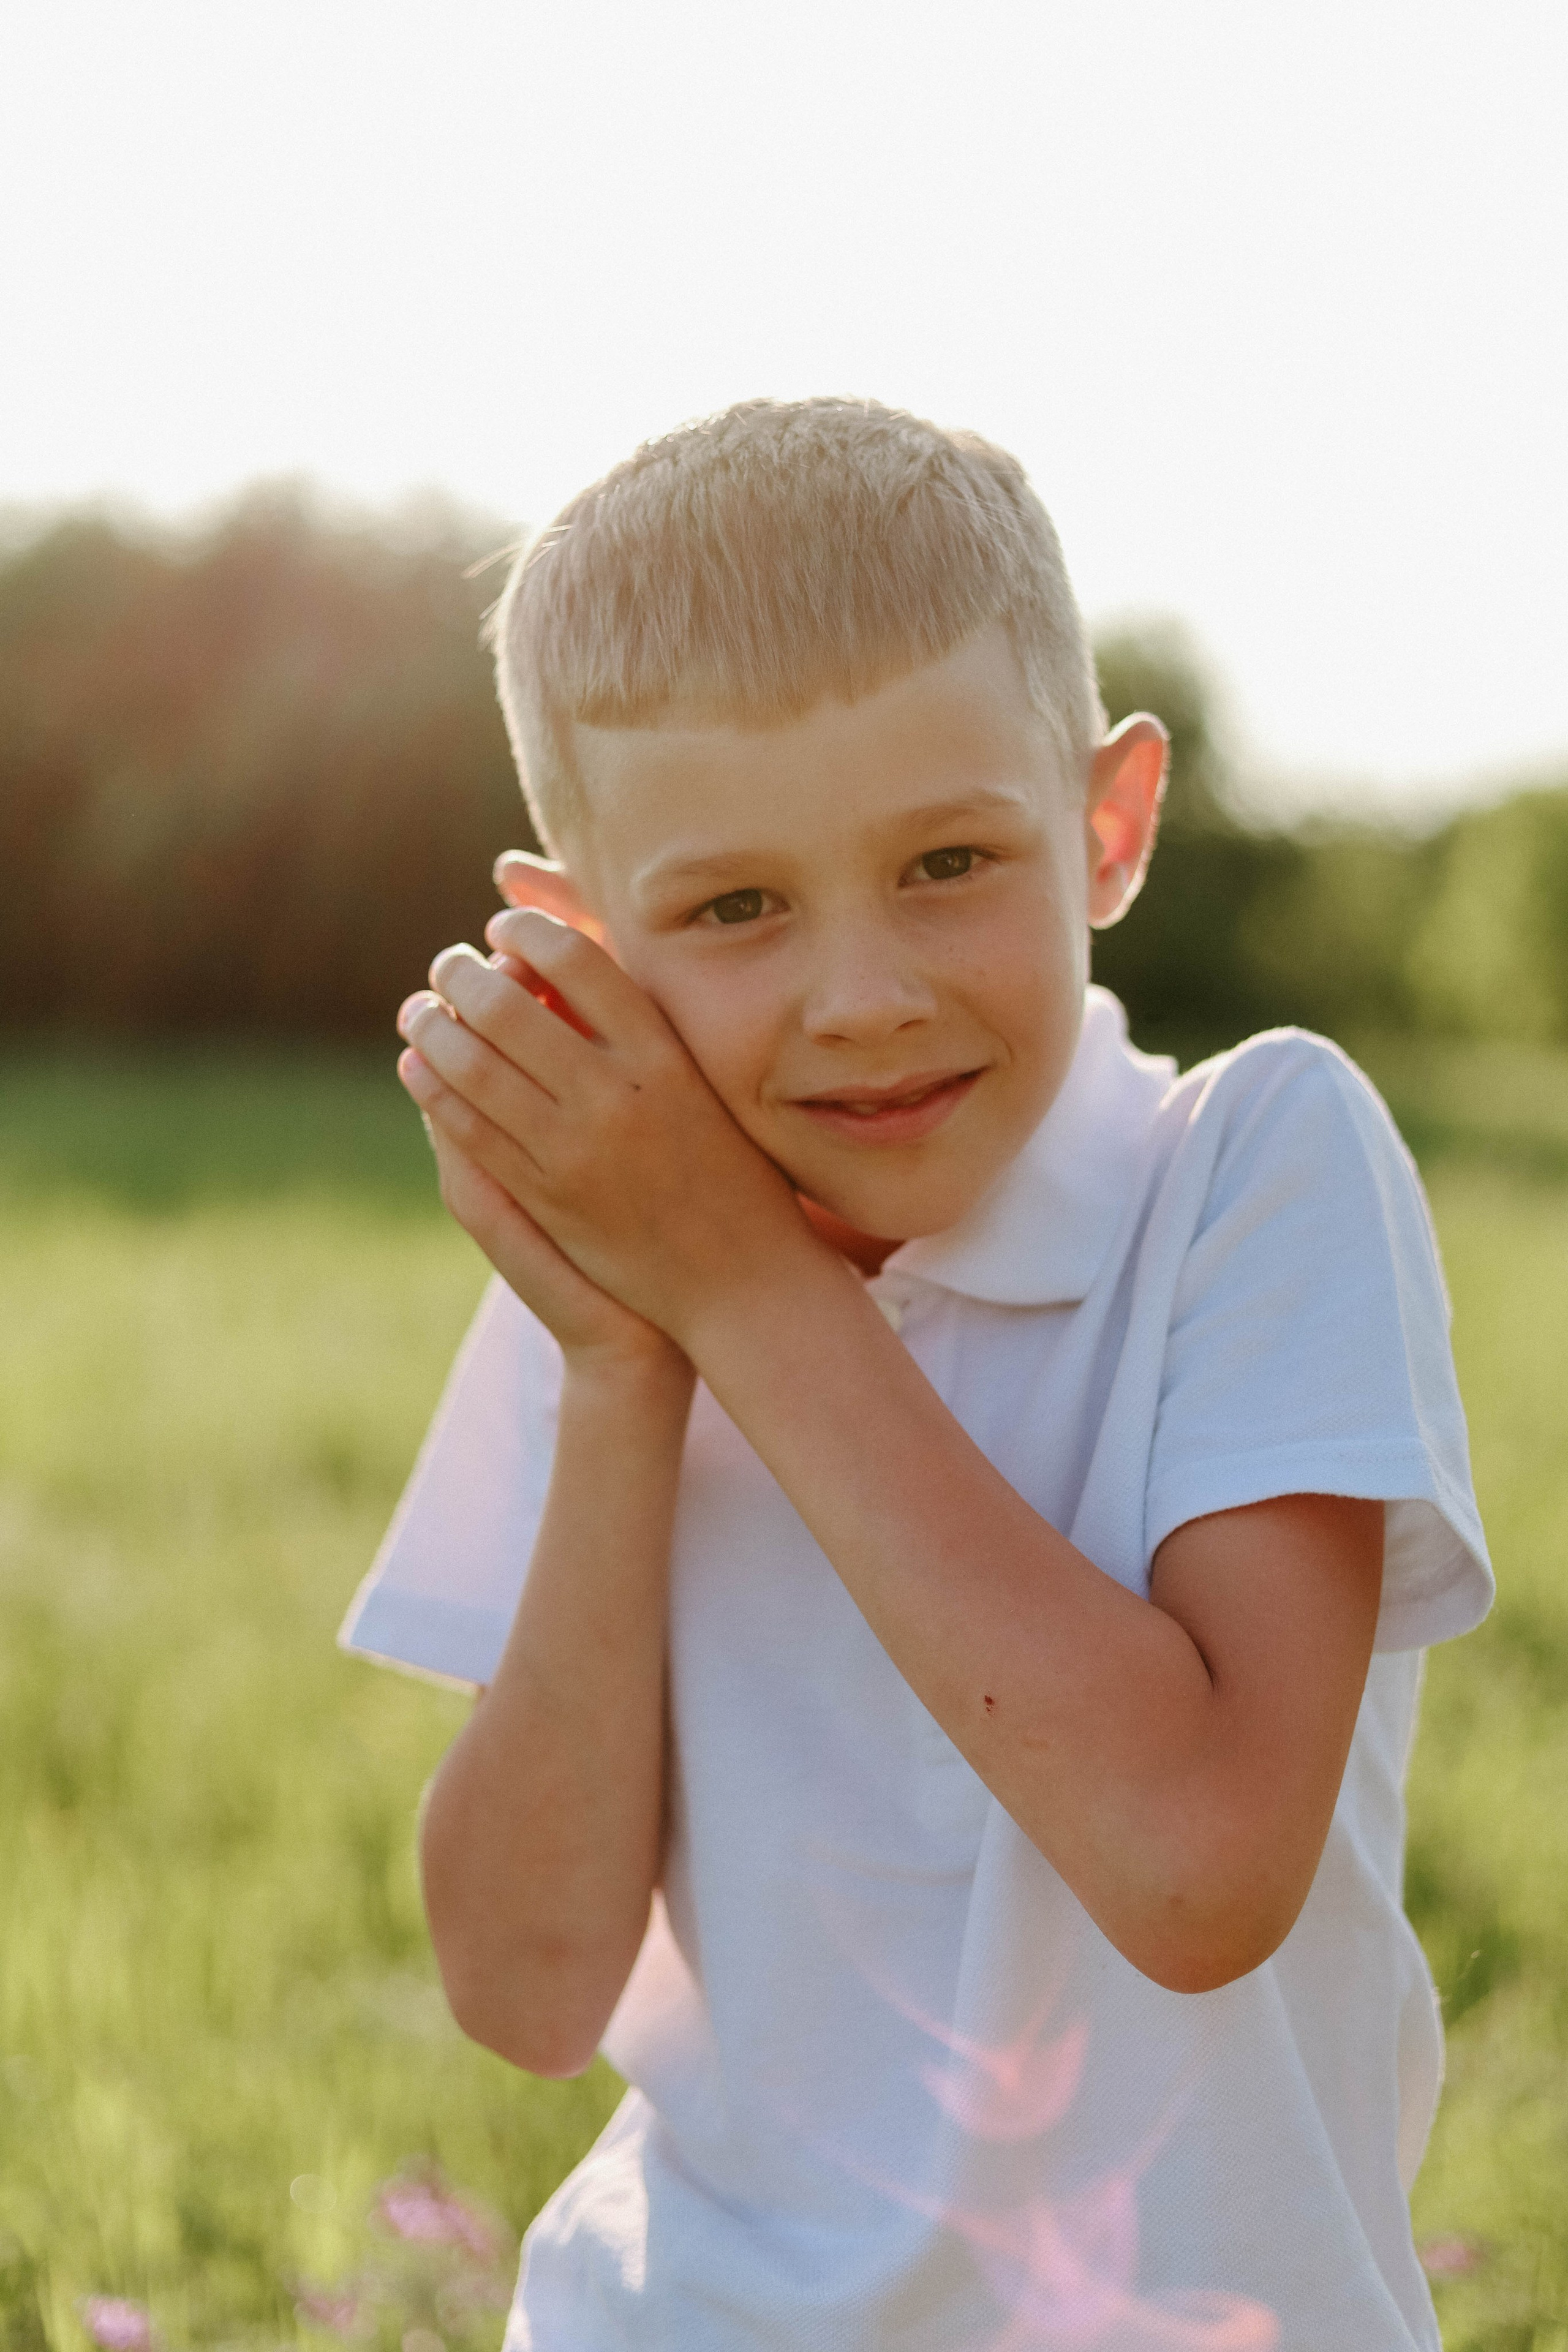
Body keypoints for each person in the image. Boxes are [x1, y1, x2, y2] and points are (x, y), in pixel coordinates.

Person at [339, 398, 1491, 2351]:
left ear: (1108, 825)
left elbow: (1199, 1870)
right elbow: (529, 1992)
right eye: (732, 910)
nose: (863, 992)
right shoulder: (617, 1281)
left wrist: (742, 1299)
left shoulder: (1252, 1168)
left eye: (950, 859)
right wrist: (630, 1366)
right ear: (586, 943)